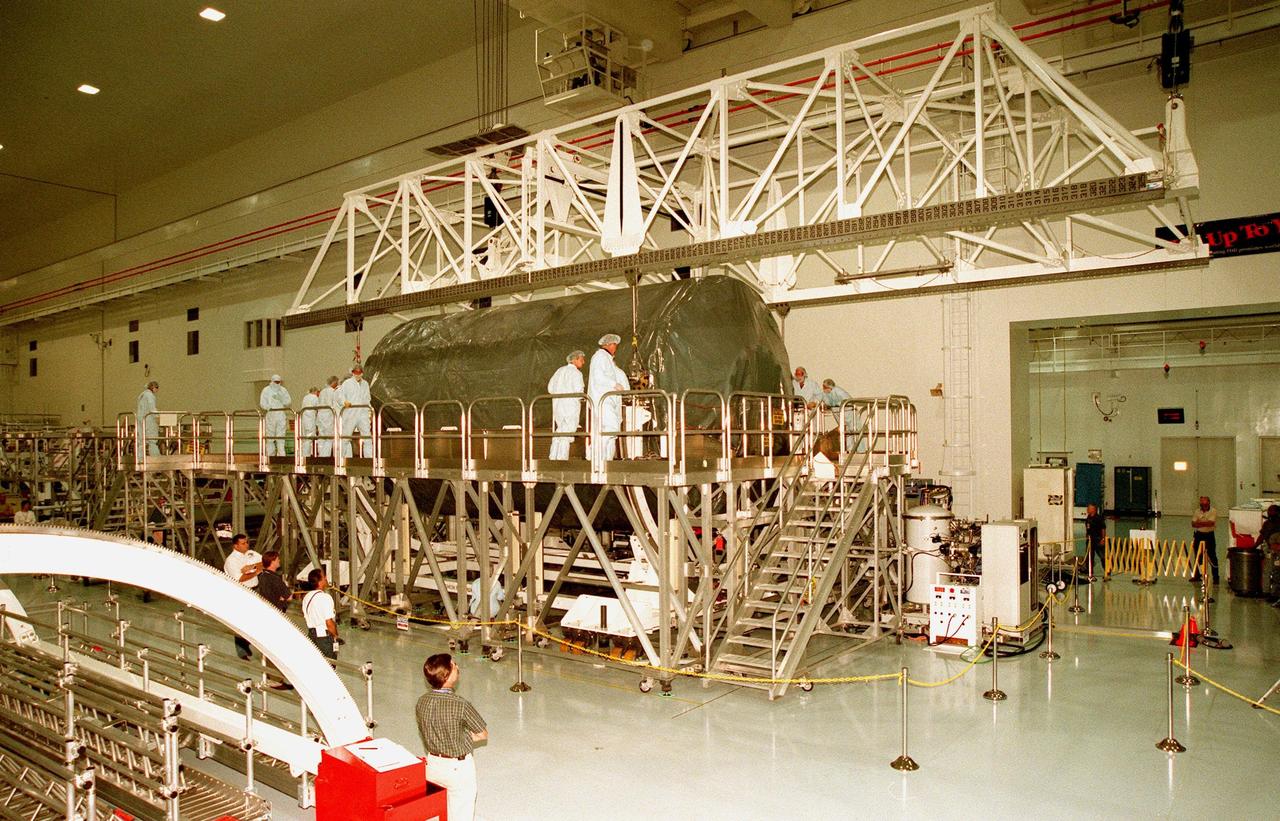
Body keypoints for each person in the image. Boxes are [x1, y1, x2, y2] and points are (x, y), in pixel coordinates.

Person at [415, 653, 487, 821]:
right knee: (461, 813)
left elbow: (424, 730)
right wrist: (462, 738)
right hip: (458, 769)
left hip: (432, 766)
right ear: (446, 676)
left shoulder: (421, 702)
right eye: (454, 665)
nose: (457, 667)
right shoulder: (460, 704)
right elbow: (482, 734)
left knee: (440, 812)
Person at [587, 334, 629, 462]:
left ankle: (607, 462)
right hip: (602, 400)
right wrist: (614, 385)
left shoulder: (608, 360)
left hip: (609, 400)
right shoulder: (600, 357)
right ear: (610, 344)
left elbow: (617, 375)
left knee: (611, 432)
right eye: (615, 345)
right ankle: (593, 454)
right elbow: (598, 377)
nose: (615, 348)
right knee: (610, 428)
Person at [222, 533, 263, 659]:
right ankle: (241, 651)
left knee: (255, 619)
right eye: (243, 543)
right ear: (236, 546)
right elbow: (240, 578)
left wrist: (251, 567)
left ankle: (250, 643)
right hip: (242, 591)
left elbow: (263, 562)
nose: (246, 545)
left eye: (247, 542)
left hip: (255, 589)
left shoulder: (251, 554)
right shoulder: (232, 560)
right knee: (242, 620)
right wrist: (256, 571)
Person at [547, 350, 586, 460]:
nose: (583, 362)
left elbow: (550, 388)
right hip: (570, 407)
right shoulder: (577, 373)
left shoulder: (559, 371)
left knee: (560, 431)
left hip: (558, 406)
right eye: (582, 360)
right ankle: (561, 459)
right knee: (566, 432)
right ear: (575, 359)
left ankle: (553, 457)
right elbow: (579, 392)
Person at [302, 568, 340, 659]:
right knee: (329, 665)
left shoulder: (306, 597)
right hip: (324, 638)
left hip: (311, 636)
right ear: (320, 581)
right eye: (324, 577)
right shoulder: (325, 598)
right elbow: (329, 622)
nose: (326, 578)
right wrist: (335, 635)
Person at [338, 366, 372, 458]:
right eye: (356, 373)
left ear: (362, 373)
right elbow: (340, 396)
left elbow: (368, 398)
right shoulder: (347, 383)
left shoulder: (365, 384)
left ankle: (369, 460)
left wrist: (369, 411)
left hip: (363, 413)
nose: (357, 375)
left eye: (359, 373)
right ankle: (340, 459)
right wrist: (344, 402)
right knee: (345, 438)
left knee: (367, 438)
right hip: (350, 413)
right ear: (353, 373)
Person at [819, 378, 858, 450]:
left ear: (829, 387)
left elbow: (847, 401)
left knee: (852, 431)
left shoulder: (839, 391)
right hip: (839, 413)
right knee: (845, 431)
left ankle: (856, 450)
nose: (823, 389)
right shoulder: (827, 393)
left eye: (824, 387)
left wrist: (835, 404)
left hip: (848, 412)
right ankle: (848, 450)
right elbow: (825, 400)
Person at [259, 375, 293, 457]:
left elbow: (288, 402)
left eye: (279, 382)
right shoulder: (266, 390)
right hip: (271, 415)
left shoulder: (283, 390)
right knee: (270, 437)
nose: (277, 384)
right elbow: (262, 403)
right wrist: (268, 407)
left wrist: (281, 399)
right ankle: (270, 456)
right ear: (272, 381)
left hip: (280, 414)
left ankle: (282, 456)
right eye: (276, 382)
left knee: (281, 437)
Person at [1189, 495, 1219, 584]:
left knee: (1212, 556)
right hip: (1199, 535)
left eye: (1204, 502)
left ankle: (1216, 577)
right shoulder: (1197, 511)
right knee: (1198, 556)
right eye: (1201, 502)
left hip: (1209, 535)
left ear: (1208, 502)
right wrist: (1204, 523)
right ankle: (1197, 575)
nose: (1202, 504)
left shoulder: (1213, 511)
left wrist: (1199, 522)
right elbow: (1193, 524)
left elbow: (1211, 523)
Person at [317, 375, 341, 457]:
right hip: (328, 417)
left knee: (322, 437)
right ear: (334, 382)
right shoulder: (332, 392)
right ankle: (325, 456)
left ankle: (320, 455)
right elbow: (334, 405)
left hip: (320, 416)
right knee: (329, 438)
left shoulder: (322, 391)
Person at [136, 381, 160, 457]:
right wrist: (157, 417)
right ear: (153, 387)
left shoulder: (142, 395)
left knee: (141, 440)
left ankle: (140, 458)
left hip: (140, 419)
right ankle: (155, 458)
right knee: (152, 440)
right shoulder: (149, 396)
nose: (157, 390)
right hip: (149, 420)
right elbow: (152, 407)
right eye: (157, 388)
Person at [1084, 503, 1107, 580]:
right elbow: (1088, 528)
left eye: (1089, 508)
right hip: (1090, 540)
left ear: (1093, 509)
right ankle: (1090, 573)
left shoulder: (1099, 518)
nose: (1087, 509)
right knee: (1089, 557)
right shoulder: (1088, 517)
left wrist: (1103, 539)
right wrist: (1087, 535)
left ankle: (1107, 572)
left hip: (1098, 540)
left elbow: (1103, 529)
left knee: (1102, 556)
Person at [299, 387, 322, 457]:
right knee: (309, 439)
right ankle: (307, 456)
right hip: (310, 420)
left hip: (304, 420)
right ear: (315, 392)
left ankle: (303, 455)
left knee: (305, 438)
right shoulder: (315, 398)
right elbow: (319, 408)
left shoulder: (305, 397)